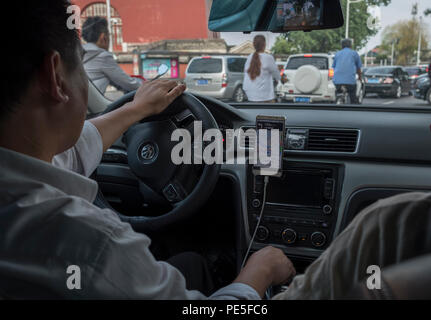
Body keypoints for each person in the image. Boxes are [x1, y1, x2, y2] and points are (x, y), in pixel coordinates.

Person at [0, 1, 295, 299]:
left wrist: (136, 109)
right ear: (55, 76)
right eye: (81, 66)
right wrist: (260, 273)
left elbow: (74, 152)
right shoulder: (90, 245)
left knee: (191, 264)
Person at [274, 25, 431, 300]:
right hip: (348, 81)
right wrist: (358, 77)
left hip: (338, 82)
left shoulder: (389, 229)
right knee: (351, 95)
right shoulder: (355, 54)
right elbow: (356, 70)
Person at [81, 16, 142, 94]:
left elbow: (116, 82)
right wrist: (146, 86)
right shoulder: (102, 56)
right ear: (103, 37)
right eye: (109, 36)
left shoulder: (79, 53)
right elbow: (130, 84)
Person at [243, 35, 281, 103]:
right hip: (264, 97)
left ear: (254, 45)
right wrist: (283, 79)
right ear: (264, 44)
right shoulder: (268, 58)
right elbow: (277, 75)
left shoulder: (249, 57)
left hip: (250, 96)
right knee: (273, 111)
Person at [332, 38, 363, 104]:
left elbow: (334, 67)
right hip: (350, 82)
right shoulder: (354, 54)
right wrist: (360, 78)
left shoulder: (337, 54)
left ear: (341, 46)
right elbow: (358, 68)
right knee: (353, 96)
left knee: (338, 92)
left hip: (337, 81)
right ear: (351, 45)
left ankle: (337, 100)